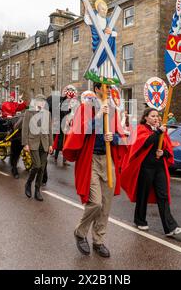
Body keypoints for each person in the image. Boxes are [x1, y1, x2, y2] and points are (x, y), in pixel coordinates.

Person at [63, 82, 126, 258]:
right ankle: (80, 232)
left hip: (108, 160)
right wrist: (98, 115)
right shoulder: (86, 108)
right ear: (97, 89)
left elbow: (120, 137)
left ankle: (98, 240)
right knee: (96, 202)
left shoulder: (113, 110)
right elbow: (78, 132)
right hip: (90, 160)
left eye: (110, 88)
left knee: (105, 205)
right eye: (105, 87)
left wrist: (112, 137)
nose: (109, 90)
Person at [121, 108, 181, 236]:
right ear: (146, 117)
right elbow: (144, 143)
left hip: (159, 167)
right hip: (145, 167)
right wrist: (158, 133)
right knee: (143, 195)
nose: (156, 118)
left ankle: (170, 227)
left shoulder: (161, 130)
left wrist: (164, 153)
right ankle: (139, 220)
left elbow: (167, 148)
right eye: (153, 116)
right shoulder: (141, 129)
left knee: (163, 196)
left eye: (157, 116)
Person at [22, 94, 53, 201]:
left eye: (43, 102)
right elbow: (25, 129)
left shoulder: (47, 113)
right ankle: (28, 183)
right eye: (40, 101)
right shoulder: (29, 112)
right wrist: (25, 143)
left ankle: (37, 190)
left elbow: (50, 130)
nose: (42, 103)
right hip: (33, 142)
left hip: (44, 143)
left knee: (42, 168)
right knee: (37, 165)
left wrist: (50, 144)